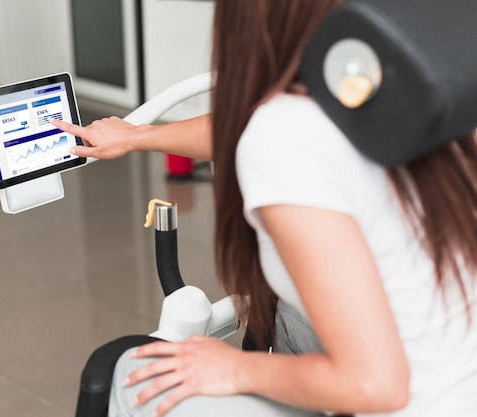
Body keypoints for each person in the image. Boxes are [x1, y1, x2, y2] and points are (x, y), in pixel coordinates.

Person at [55, 1, 477, 415]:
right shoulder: (420, 100)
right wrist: (138, 136)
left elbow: (376, 385)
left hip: (391, 393)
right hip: (458, 382)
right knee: (291, 314)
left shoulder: (282, 137)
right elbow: (244, 127)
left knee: (130, 375)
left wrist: (237, 369)